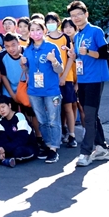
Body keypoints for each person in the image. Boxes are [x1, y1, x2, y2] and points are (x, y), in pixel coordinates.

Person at [67, 0, 109, 167]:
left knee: (89, 116)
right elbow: (80, 59)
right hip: (83, 79)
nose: (76, 18)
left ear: (86, 14)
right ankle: (102, 148)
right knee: (90, 115)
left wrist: (88, 51)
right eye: (73, 15)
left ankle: (85, 152)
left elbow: (105, 54)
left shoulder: (95, 31)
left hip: (96, 79)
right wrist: (74, 56)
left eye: (79, 14)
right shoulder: (77, 36)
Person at [20, 19, 63, 164]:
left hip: (51, 91)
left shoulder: (51, 47)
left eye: (38, 29)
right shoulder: (28, 49)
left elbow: (60, 70)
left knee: (53, 120)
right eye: (32, 30)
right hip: (34, 91)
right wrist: (23, 65)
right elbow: (28, 71)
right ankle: (48, 144)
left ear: (44, 30)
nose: (35, 32)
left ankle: (54, 149)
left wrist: (54, 61)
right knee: (42, 120)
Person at [44, 12, 77, 148]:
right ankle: (57, 135)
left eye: (53, 21)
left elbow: (71, 58)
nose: (51, 24)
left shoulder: (65, 38)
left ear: (58, 23)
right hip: (51, 81)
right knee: (53, 109)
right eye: (48, 22)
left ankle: (72, 135)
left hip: (66, 78)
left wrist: (63, 76)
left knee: (68, 107)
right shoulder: (45, 39)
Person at [0, 96, 39, 167]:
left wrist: (5, 148)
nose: (1, 110)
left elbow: (22, 140)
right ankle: (6, 159)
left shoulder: (20, 117)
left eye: (3, 107)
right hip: (10, 146)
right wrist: (2, 149)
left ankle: (2, 159)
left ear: (9, 105)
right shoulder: (1, 121)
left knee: (18, 151)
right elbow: (1, 139)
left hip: (26, 145)